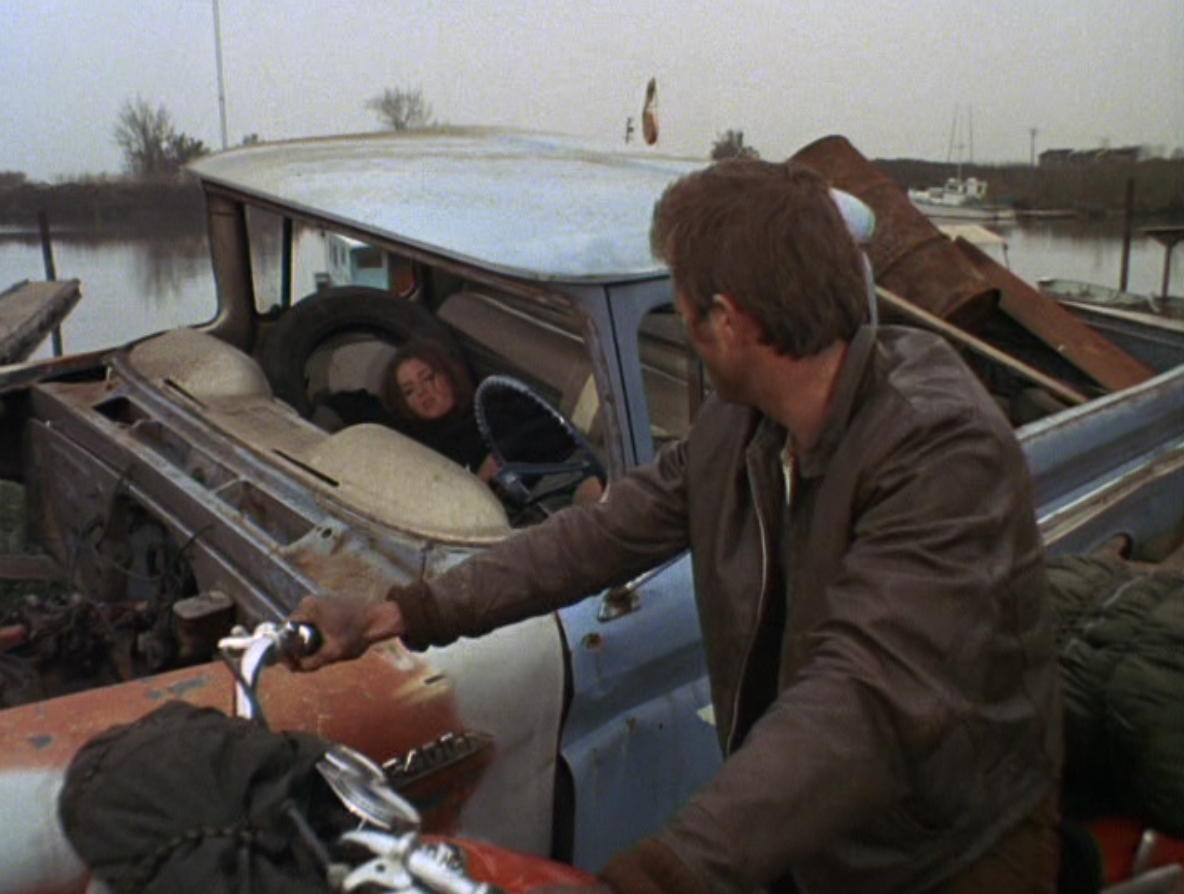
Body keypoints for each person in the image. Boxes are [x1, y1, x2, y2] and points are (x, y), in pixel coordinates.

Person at [289, 160, 1062, 894]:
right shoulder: (744, 426)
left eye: (683, 305)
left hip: (940, 857)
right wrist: (397, 614)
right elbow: (595, 536)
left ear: (726, 320)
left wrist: (664, 873)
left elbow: (868, 703)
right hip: (813, 841)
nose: (685, 322)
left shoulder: (940, 451)